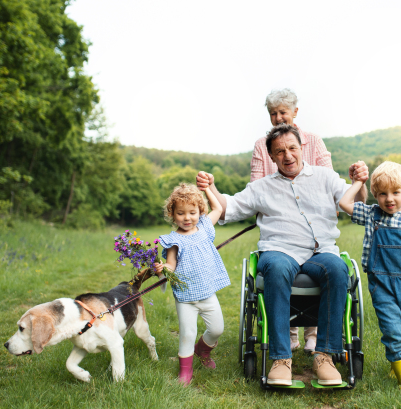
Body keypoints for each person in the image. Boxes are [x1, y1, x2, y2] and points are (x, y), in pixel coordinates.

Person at [196, 123, 369, 386]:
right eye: (280, 151)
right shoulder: (262, 187)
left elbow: (356, 204)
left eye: (292, 148)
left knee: (337, 269)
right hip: (280, 252)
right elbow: (228, 207)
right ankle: (280, 359)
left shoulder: (326, 177)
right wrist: (210, 187)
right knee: (275, 269)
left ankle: (325, 356)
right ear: (272, 156)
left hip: (320, 252)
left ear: (302, 149)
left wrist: (361, 182)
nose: (287, 155)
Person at [339, 161, 401, 396]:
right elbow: (344, 203)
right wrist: (358, 183)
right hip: (381, 286)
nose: (389, 199)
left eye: (395, 192)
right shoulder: (372, 215)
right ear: (375, 195)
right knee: (393, 330)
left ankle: (399, 364)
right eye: (382, 194)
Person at [251, 88, 333, 352]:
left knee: (321, 263)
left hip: (314, 222)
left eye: (282, 112)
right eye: (272, 113)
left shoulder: (314, 141)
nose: (277, 117)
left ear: (295, 112)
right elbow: (256, 186)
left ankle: (314, 335)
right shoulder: (262, 146)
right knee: (280, 266)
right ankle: (289, 337)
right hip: (280, 221)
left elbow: (328, 182)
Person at [153, 183, 230, 386]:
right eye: (181, 213)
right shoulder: (173, 240)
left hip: (207, 294)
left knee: (217, 329)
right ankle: (185, 372)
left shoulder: (205, 227)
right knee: (187, 333)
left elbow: (218, 209)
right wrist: (163, 269)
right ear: (172, 214)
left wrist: (206, 191)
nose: (187, 218)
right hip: (185, 297)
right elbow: (171, 265)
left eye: (192, 212)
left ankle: (203, 351)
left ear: (199, 211)